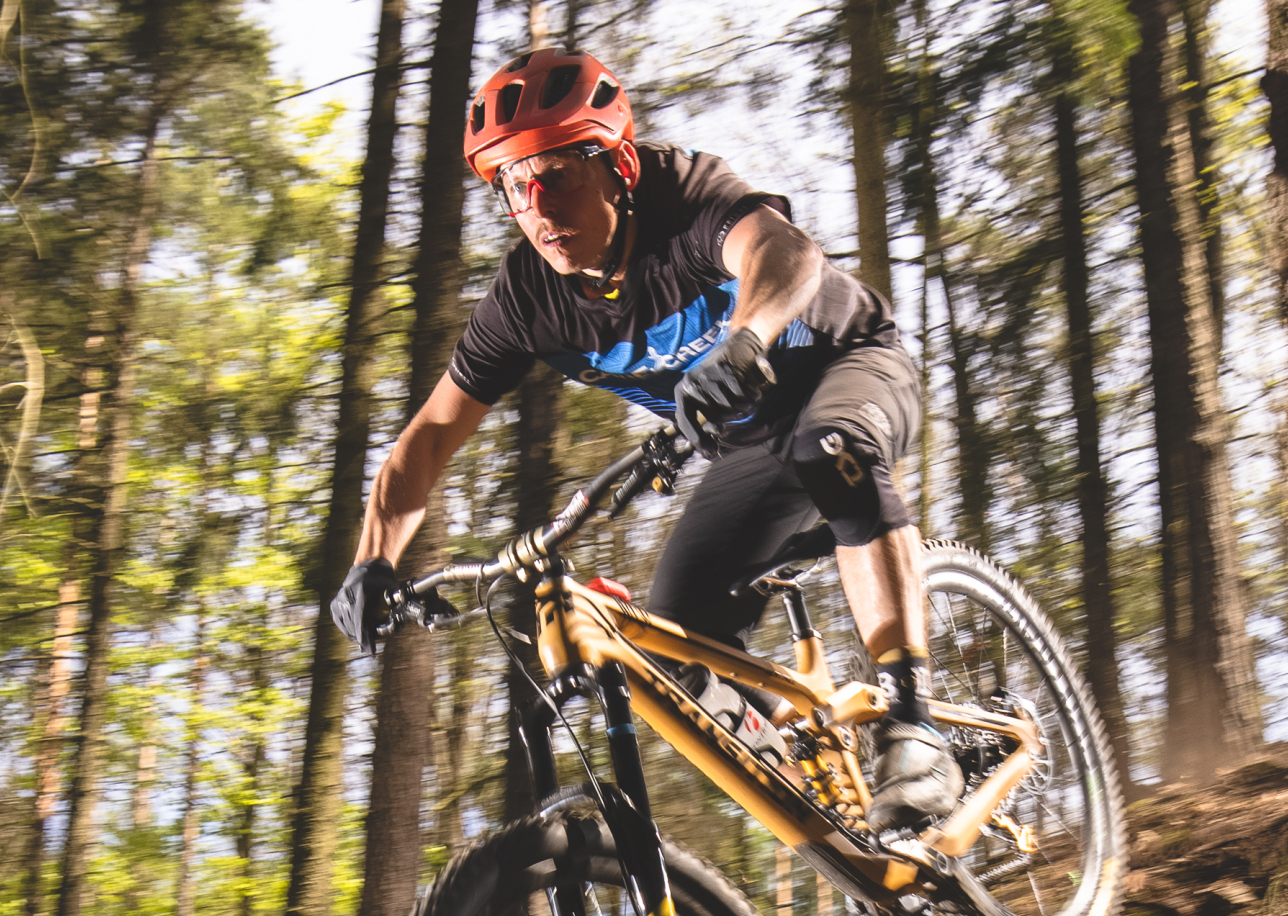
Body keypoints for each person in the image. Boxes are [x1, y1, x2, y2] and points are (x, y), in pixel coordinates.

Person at [331, 47, 960, 833]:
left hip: (848, 364)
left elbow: (785, 253)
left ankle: (915, 727)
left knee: (827, 447)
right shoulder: (527, 301)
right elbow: (427, 438)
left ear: (619, 166)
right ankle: (828, 801)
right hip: (752, 447)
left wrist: (747, 339)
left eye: (558, 175)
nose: (538, 206)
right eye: (516, 187)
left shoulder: (681, 194)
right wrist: (372, 560)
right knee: (673, 645)